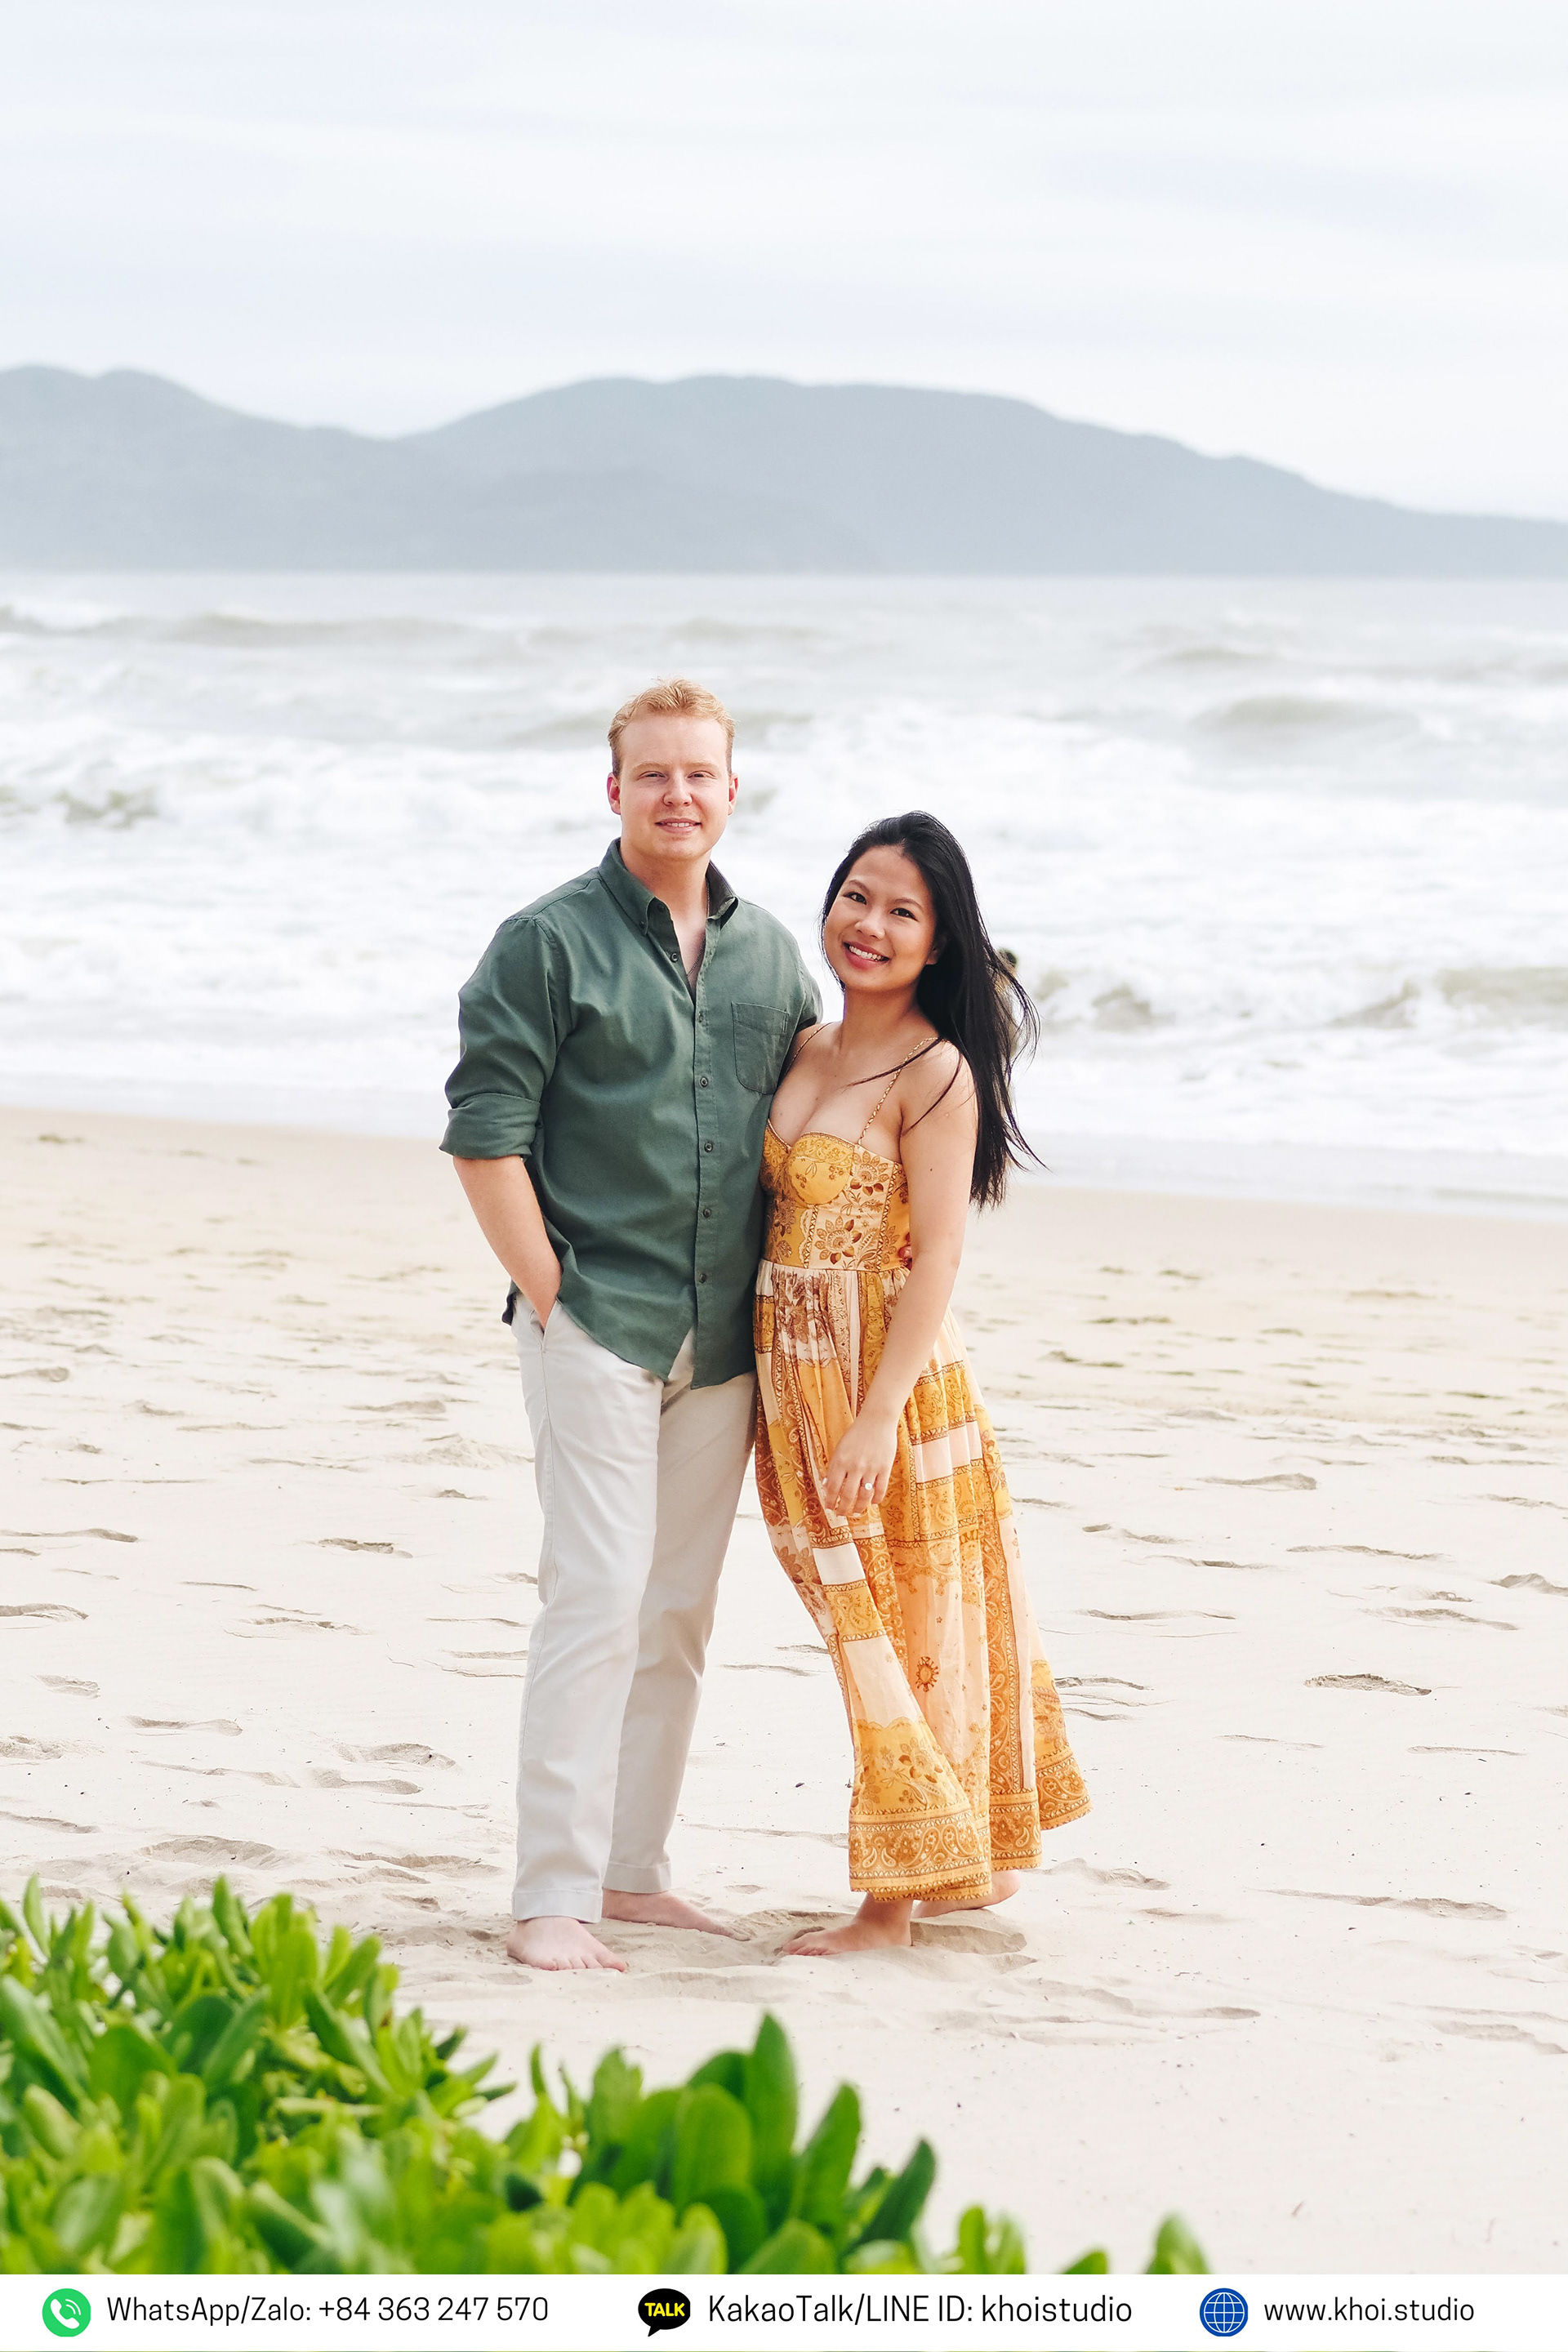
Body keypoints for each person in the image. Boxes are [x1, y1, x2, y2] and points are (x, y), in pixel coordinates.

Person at [443, 679, 819, 1972]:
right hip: (597, 1321)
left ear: (733, 789)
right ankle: (551, 1895)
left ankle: (632, 1872)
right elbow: (484, 1138)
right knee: (596, 1598)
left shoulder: (774, 958)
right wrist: (555, 1298)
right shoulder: (544, 944)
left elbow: (811, 1122)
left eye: (699, 773)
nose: (677, 794)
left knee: (675, 1613)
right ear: (614, 791)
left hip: (723, 1341)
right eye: (653, 773)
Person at [754, 812, 1089, 1956]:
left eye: (904, 912)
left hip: (883, 1382)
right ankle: (959, 1855)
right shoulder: (805, 1046)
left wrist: (877, 1419)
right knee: (864, 1615)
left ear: (939, 943)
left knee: (894, 1626)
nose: (871, 925)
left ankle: (890, 1906)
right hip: (792, 1375)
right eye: (857, 896)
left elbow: (939, 1255)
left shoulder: (935, 1071)